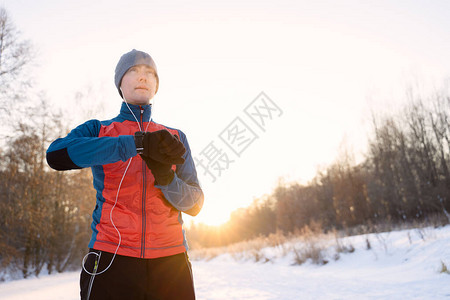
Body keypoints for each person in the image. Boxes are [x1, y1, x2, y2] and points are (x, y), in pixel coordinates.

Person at [46, 49, 204, 300]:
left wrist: (165, 176)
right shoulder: (99, 130)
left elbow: (194, 204)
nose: (143, 77)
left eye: (150, 73)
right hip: (111, 259)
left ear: (156, 85)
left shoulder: (175, 137)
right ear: (120, 82)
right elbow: (55, 155)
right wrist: (136, 144)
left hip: (171, 262)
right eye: (134, 71)